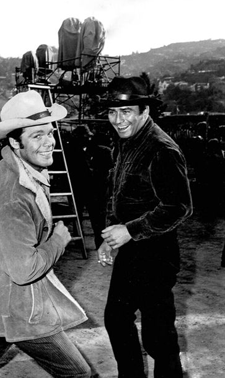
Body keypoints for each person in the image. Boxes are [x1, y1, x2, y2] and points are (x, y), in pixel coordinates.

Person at [0, 90, 92, 378]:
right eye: (37, 136)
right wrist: (59, 242)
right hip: (17, 303)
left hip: (1, 293)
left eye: (49, 133)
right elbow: (24, 270)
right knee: (78, 373)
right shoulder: (14, 194)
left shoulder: (15, 167)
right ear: (15, 142)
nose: (49, 142)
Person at [97, 76, 193, 378]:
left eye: (126, 112)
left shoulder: (161, 149)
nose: (118, 120)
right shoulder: (128, 142)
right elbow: (123, 195)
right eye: (113, 112)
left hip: (156, 253)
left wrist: (129, 231)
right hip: (131, 250)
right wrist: (112, 237)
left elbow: (179, 206)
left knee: (158, 335)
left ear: (144, 111)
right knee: (117, 318)